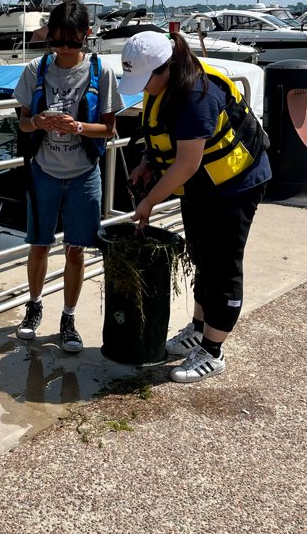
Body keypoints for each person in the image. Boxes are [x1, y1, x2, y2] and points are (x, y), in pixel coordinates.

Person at [118, 31, 271, 382]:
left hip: (235, 185)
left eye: (146, 80)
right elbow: (163, 137)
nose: (145, 87)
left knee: (222, 267)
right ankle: (199, 329)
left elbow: (186, 163)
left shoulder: (196, 96)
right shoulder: (164, 84)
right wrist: (147, 162)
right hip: (202, 186)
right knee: (201, 256)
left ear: (166, 68)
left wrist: (148, 202)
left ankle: (213, 351)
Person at [13, 0, 124, 352]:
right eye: (57, 41)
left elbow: (108, 129)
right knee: (39, 244)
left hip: (83, 173)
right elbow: (23, 122)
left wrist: (77, 127)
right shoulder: (35, 70)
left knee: (76, 249)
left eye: (72, 42)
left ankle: (69, 316)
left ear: (86, 35)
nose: (64, 48)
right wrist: (40, 122)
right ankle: (33, 307)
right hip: (43, 170)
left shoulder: (100, 70)